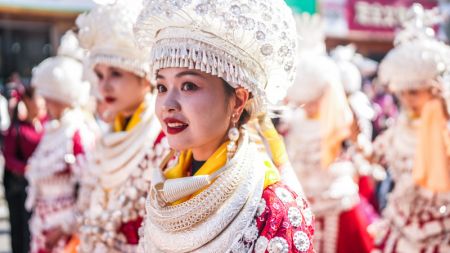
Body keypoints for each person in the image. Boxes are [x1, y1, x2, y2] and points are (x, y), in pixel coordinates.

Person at [134, 0, 314, 252]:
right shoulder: (165, 188)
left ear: (238, 100)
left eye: (189, 86)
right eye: (162, 87)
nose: (167, 104)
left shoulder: (274, 208)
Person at [75, 1, 167, 252]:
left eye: (116, 73)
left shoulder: (165, 139)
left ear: (144, 76)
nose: (104, 86)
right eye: (100, 75)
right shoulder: (109, 135)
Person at [282, 13, 374, 253]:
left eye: (313, 100)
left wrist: (357, 140)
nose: (309, 106)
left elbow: (363, 151)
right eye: (306, 101)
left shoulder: (340, 119)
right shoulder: (293, 120)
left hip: (336, 203)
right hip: (302, 201)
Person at [371, 4, 450, 252]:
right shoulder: (399, 127)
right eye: (402, 93)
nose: (407, 100)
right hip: (399, 224)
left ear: (434, 88)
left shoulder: (445, 128)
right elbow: (373, 155)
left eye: (414, 92)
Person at [25, 31, 95, 253]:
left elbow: (90, 188)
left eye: (47, 96)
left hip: (66, 235)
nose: (43, 101)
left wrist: (65, 228)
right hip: (42, 227)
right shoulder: (53, 130)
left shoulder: (77, 131)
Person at [2, 85, 46, 253]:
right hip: (22, 189)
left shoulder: (48, 125)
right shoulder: (18, 128)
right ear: (28, 101)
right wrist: (28, 168)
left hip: (44, 188)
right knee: (22, 231)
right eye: (38, 99)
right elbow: (9, 158)